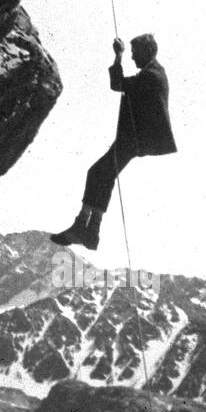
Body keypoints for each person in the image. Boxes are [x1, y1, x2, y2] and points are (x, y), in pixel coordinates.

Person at [50, 33, 176, 250]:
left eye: (135, 53)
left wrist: (118, 56)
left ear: (147, 52)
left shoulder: (150, 75)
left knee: (97, 173)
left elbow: (117, 84)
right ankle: (91, 232)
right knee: (105, 175)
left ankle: (84, 227)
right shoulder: (155, 73)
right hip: (136, 139)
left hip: (135, 139)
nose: (133, 58)